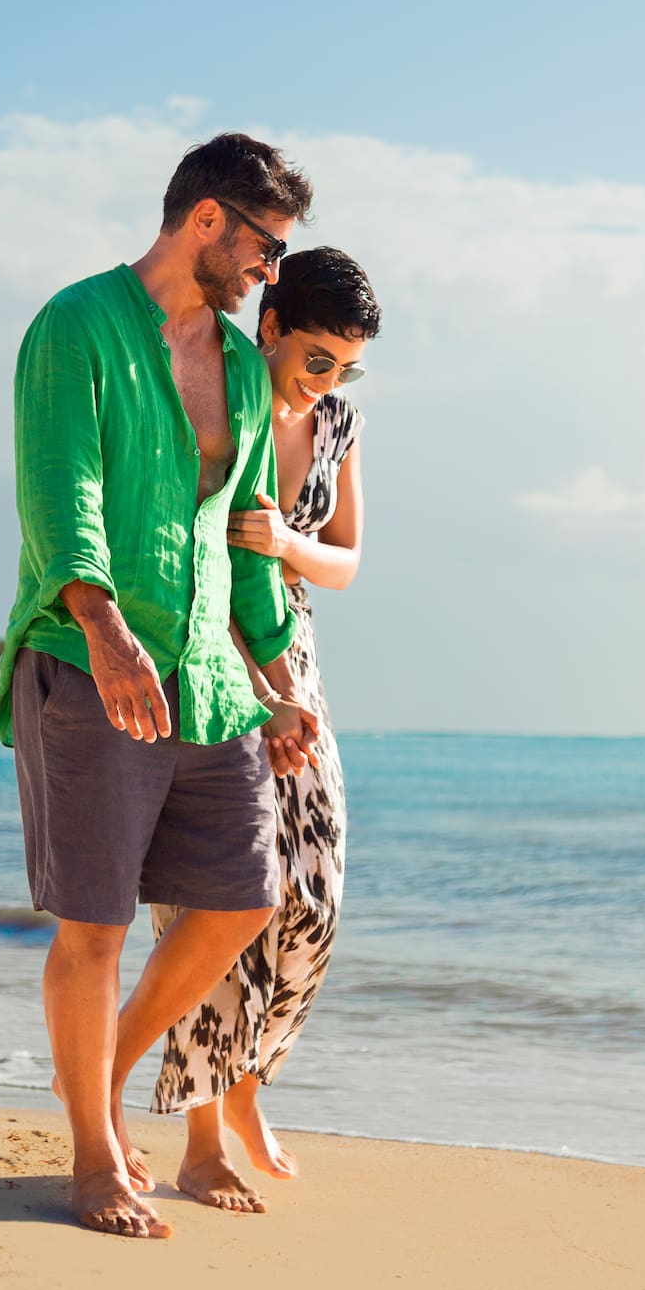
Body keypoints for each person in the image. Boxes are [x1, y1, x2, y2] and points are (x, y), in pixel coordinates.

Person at [0, 133, 322, 1240]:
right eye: (267, 248)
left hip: (210, 676)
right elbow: (61, 486)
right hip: (92, 664)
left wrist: (276, 680)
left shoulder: (233, 361)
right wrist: (103, 622)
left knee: (242, 896)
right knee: (93, 921)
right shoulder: (75, 325)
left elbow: (241, 540)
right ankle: (93, 1155)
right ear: (209, 221)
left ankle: (104, 1076)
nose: (269, 272)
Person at [148, 246, 378, 1213]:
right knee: (214, 901)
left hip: (299, 658)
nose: (327, 380)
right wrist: (252, 684)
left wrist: (289, 542)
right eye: (317, 357)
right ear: (271, 323)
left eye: (347, 366)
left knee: (313, 903)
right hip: (207, 649)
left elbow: (348, 561)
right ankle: (201, 1144)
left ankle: (245, 1088)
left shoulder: (334, 422)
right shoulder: (222, 388)